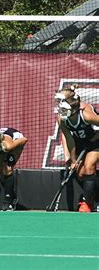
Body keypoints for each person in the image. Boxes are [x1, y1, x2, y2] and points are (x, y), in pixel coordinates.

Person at [55, 84, 99, 212]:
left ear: (73, 110)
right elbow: (69, 139)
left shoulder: (87, 116)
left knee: (89, 166)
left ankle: (85, 203)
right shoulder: (62, 119)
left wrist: (95, 137)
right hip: (81, 142)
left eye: (64, 110)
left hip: (96, 141)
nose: (60, 112)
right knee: (80, 173)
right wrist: (73, 160)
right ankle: (91, 197)